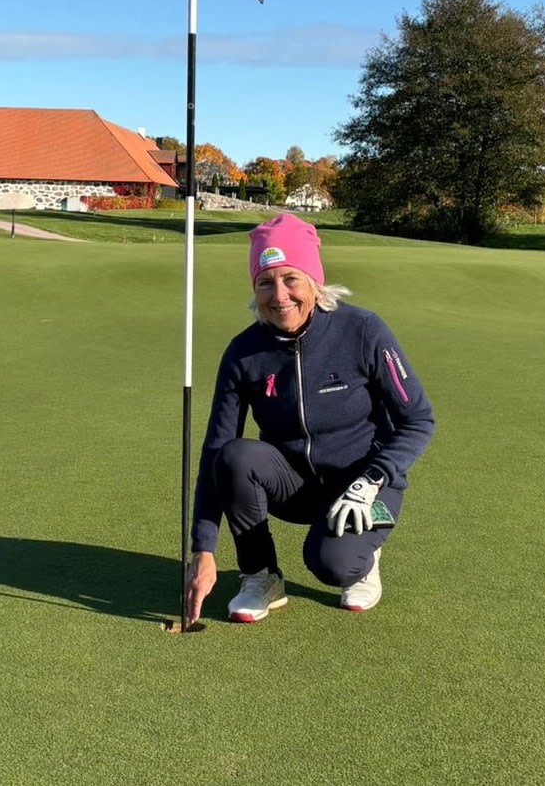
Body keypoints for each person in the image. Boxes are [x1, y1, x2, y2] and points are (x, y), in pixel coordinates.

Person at [184, 213, 434, 623]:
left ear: (314, 282)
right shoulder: (243, 352)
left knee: (333, 565)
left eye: (290, 279)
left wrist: (373, 479)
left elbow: (418, 419)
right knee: (233, 456)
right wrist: (203, 549)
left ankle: (363, 558)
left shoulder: (363, 329)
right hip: (295, 485)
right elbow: (215, 450)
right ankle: (260, 576)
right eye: (265, 282)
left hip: (365, 485)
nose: (279, 296)